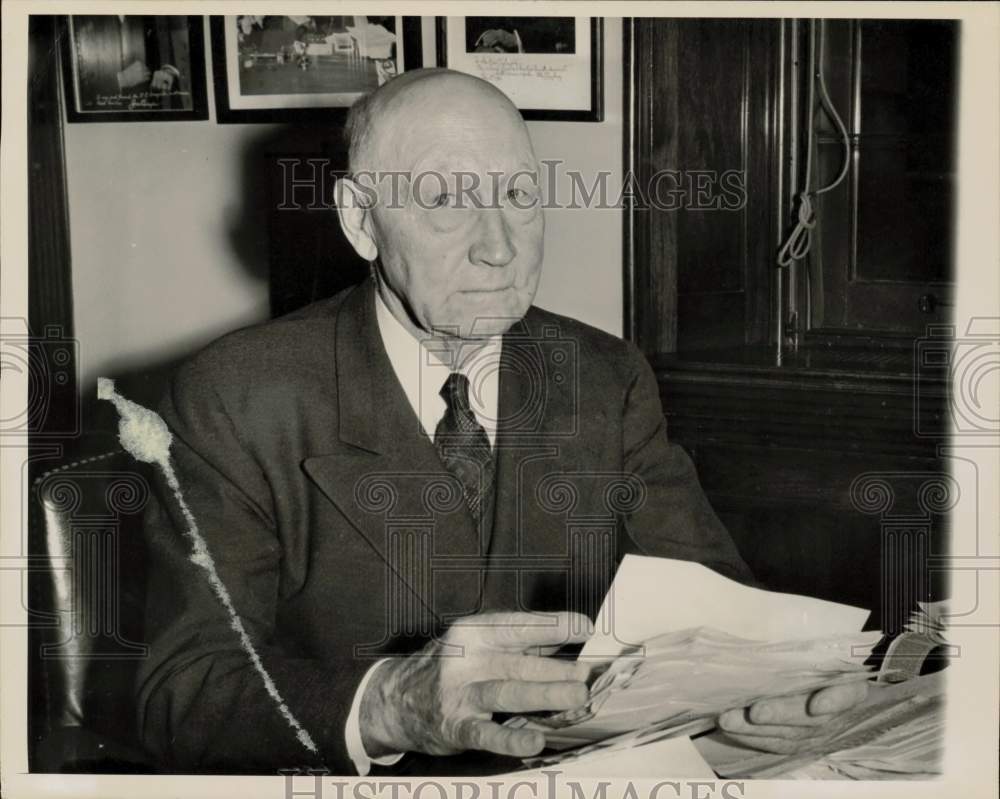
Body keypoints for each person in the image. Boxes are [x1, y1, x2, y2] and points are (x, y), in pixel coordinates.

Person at [136, 68, 867, 775]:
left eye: (518, 194)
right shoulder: (237, 397)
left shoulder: (601, 376)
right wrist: (389, 704)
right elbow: (181, 691)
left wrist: (780, 685)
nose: (499, 246)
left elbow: (715, 608)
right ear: (361, 219)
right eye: (447, 201)